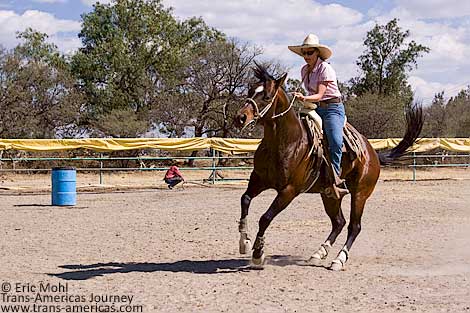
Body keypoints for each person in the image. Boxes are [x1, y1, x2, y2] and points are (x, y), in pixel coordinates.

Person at [288, 34, 349, 199]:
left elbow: (320, 94)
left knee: (335, 140)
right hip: (314, 107)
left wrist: (303, 98)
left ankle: (336, 178)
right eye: (304, 53)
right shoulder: (304, 70)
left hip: (332, 108)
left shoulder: (325, 69)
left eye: (309, 53)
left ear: (317, 53)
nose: (306, 56)